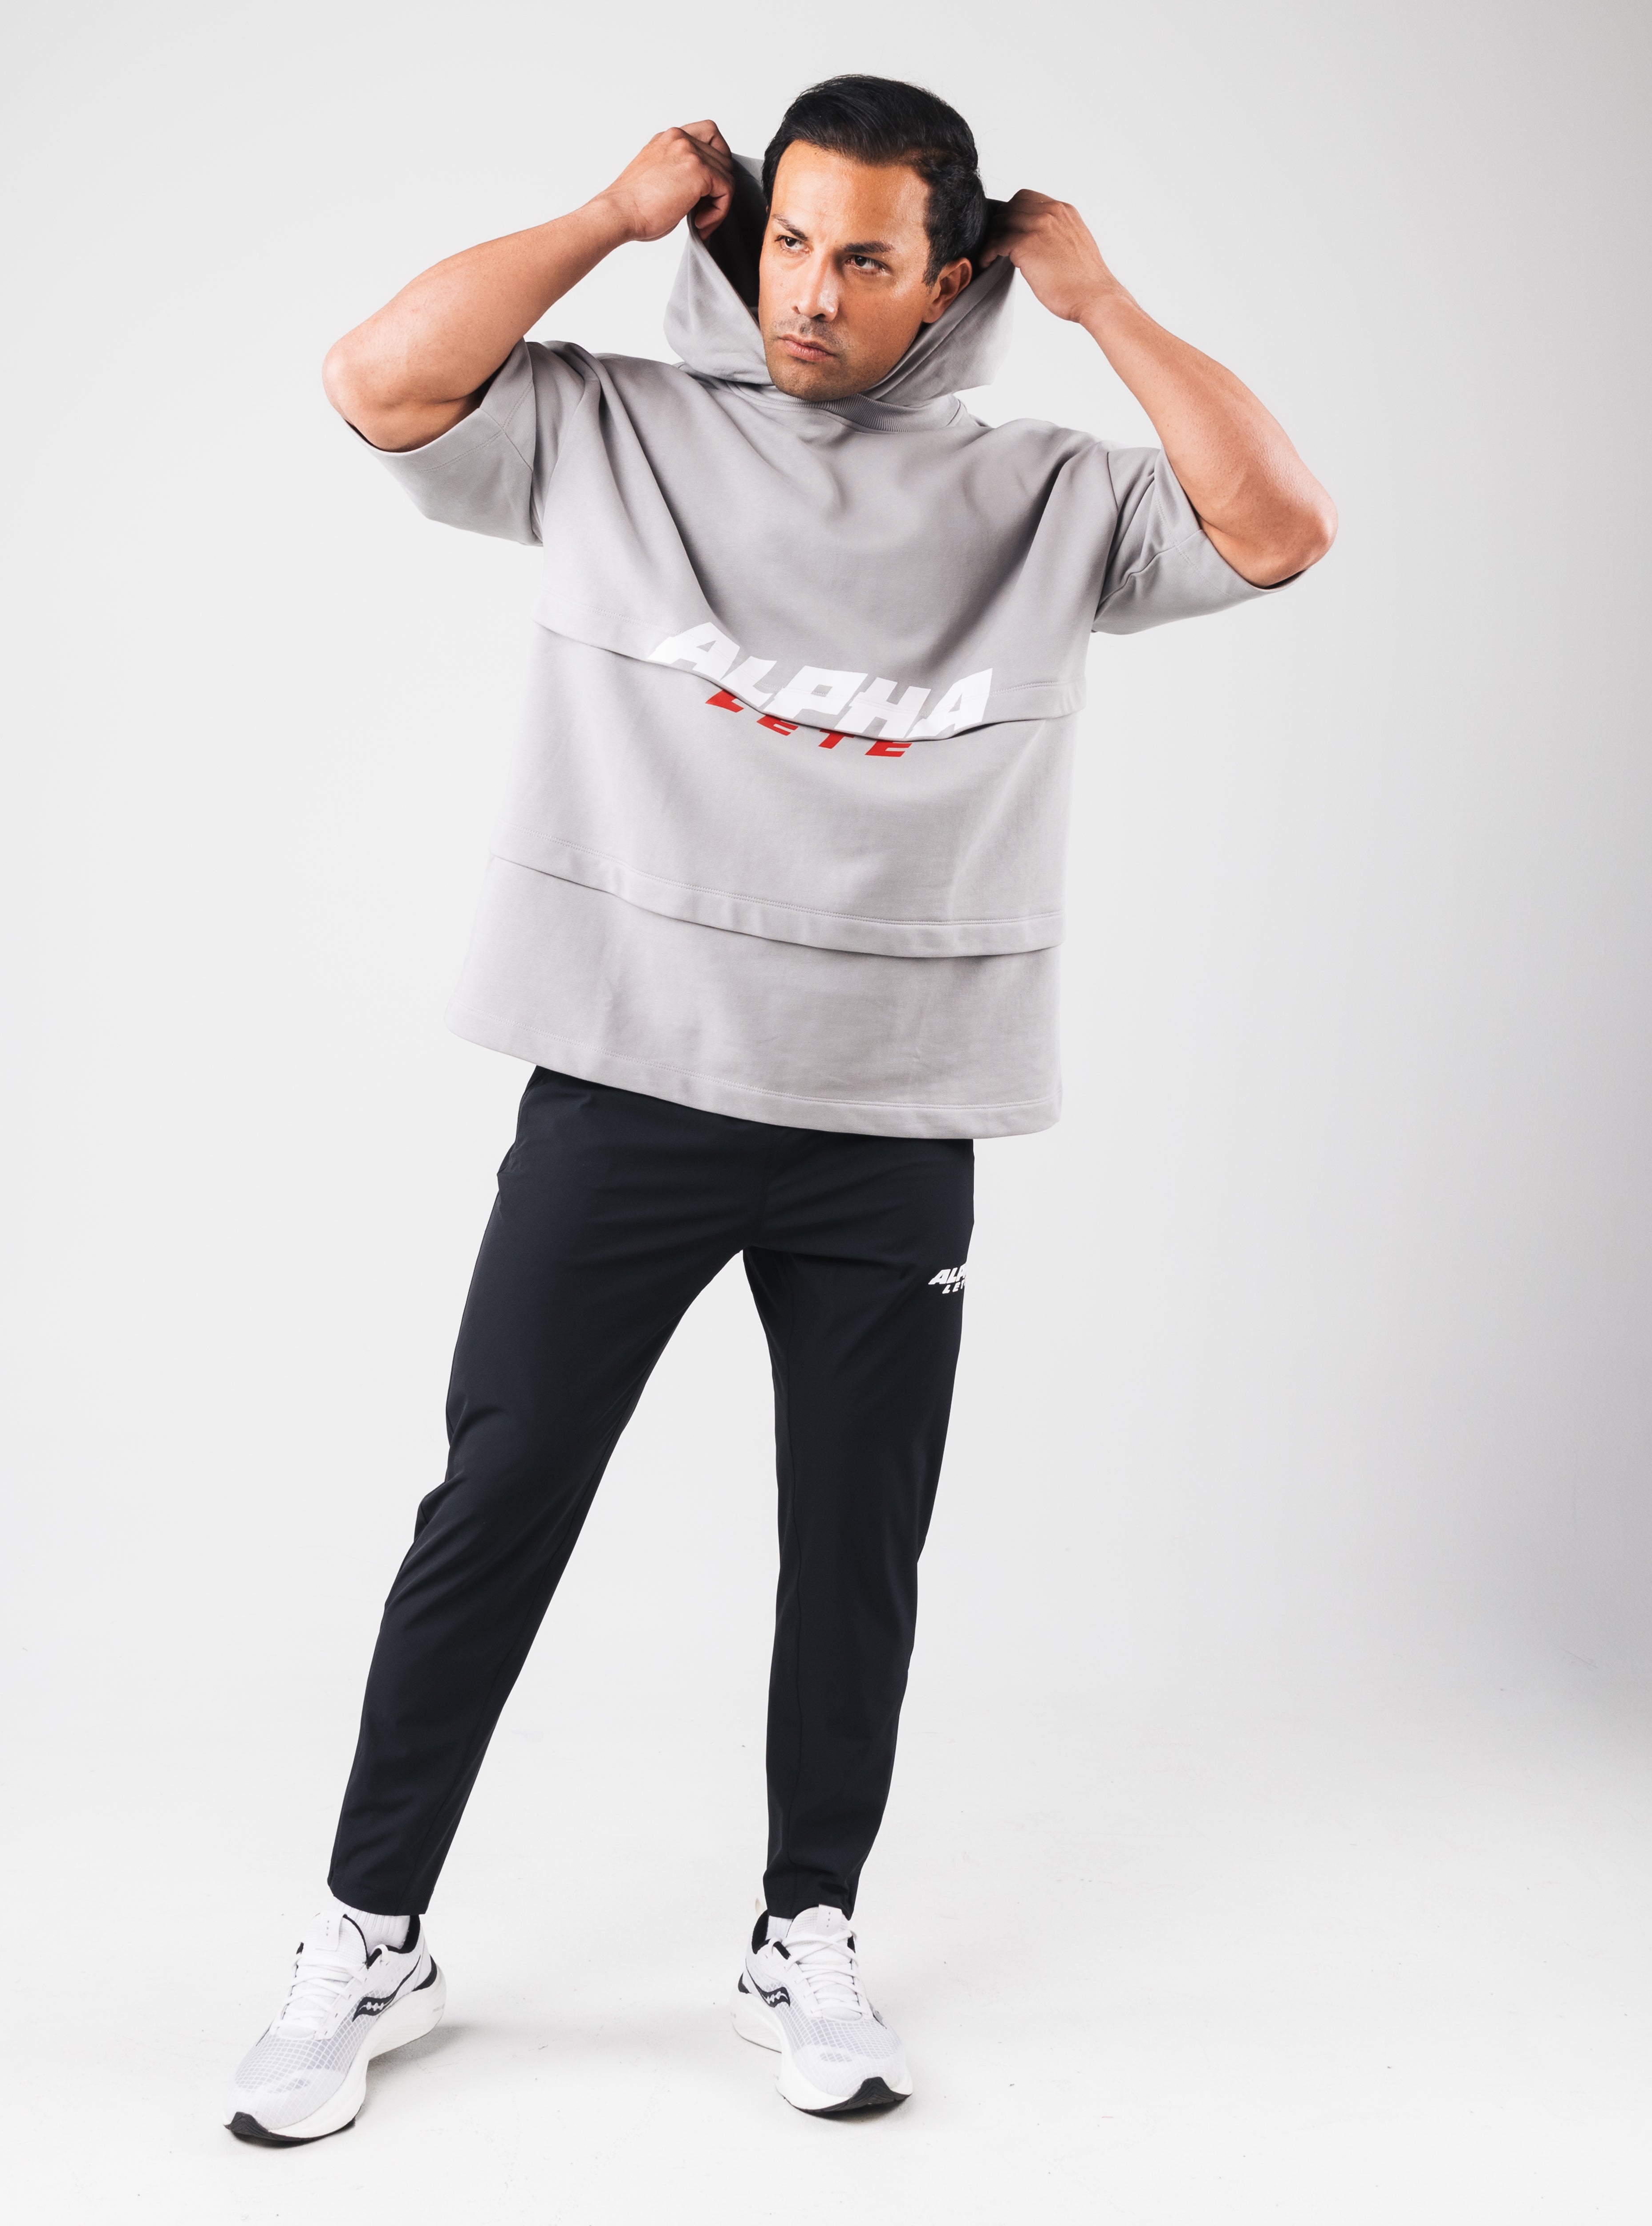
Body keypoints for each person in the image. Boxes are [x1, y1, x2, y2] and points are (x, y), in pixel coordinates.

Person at [225, 74, 1335, 2144]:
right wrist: (604, 212)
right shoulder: (614, 430)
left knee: (853, 1544)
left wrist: (1104, 305)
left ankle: (802, 1925)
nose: (810, 295)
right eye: (788, 245)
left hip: (892, 1116)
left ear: (950, 280)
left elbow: (1278, 528)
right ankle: (368, 1929)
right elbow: (375, 380)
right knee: (495, 1504)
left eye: (865, 259)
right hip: (625, 1077)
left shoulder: (1039, 494)